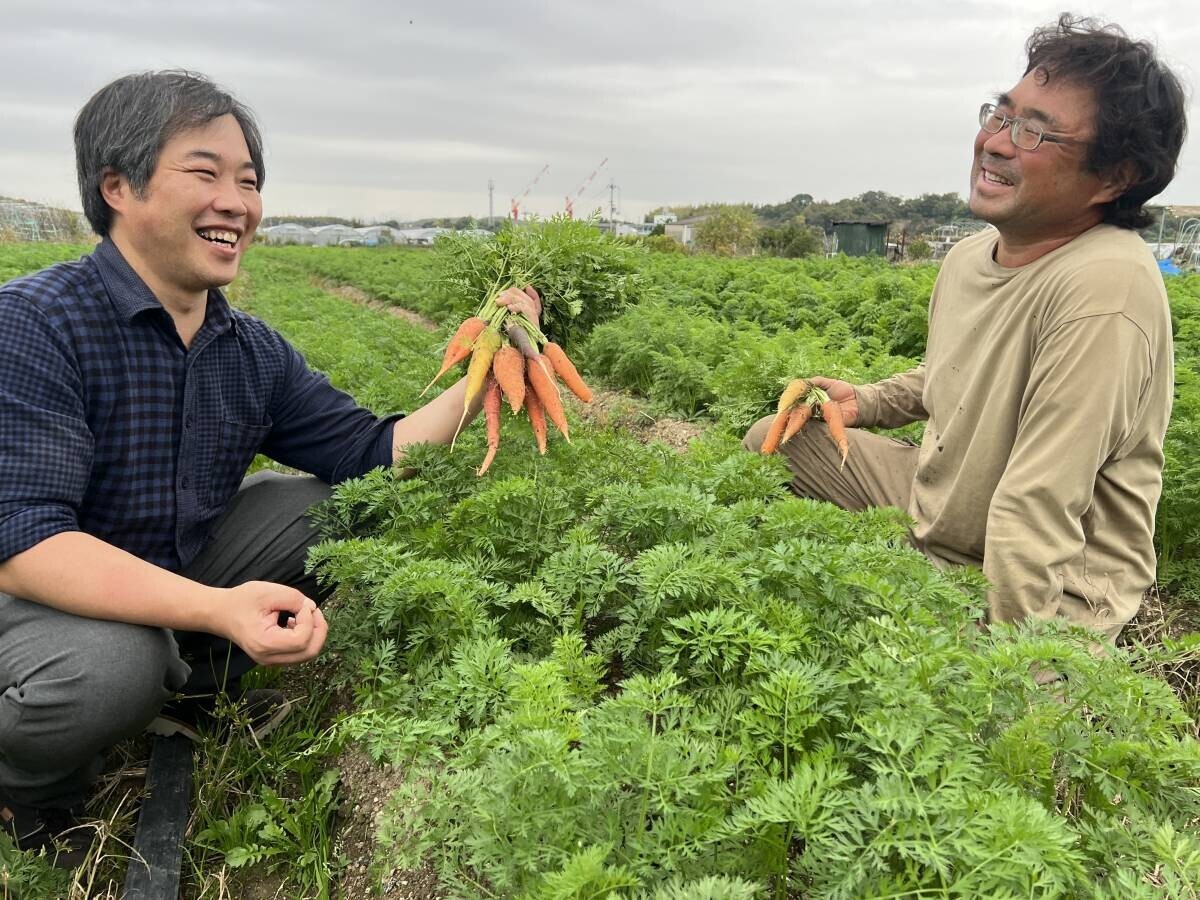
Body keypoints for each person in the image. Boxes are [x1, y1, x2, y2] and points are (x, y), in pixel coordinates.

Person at [0, 70, 540, 867]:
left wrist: (490, 369)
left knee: (336, 506)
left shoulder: (248, 349)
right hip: (34, 599)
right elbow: (28, 545)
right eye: (205, 173)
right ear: (118, 185)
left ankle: (183, 687)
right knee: (115, 663)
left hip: (167, 572)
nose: (237, 203)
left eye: (248, 182)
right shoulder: (35, 324)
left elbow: (373, 453)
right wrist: (218, 608)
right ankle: (27, 784)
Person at [746, 15, 1186, 639]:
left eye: (1036, 133)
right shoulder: (968, 257)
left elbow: (1038, 507)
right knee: (779, 440)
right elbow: (950, 375)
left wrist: (1007, 675)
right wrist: (865, 401)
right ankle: (914, 576)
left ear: (1114, 178)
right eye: (1001, 116)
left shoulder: (1105, 286)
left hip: (1049, 581)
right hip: (941, 513)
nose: (998, 143)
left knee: (961, 690)